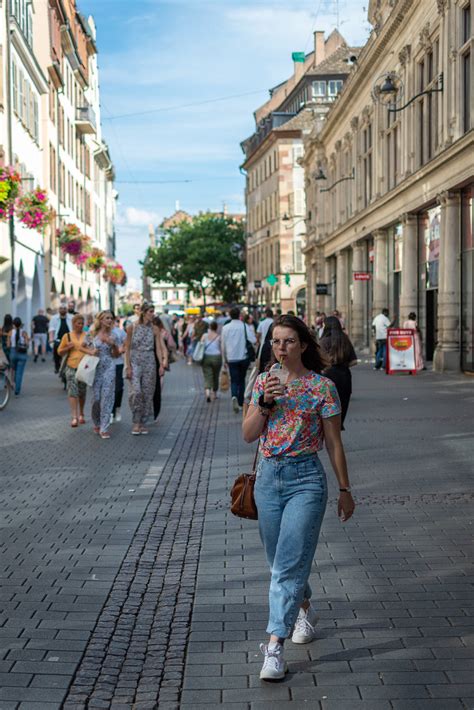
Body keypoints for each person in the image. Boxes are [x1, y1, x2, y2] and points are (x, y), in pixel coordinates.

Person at [242, 315, 355, 681]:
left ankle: (274, 647)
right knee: (280, 564)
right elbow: (247, 435)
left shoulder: (322, 387)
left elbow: (335, 443)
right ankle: (304, 608)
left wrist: (344, 489)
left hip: (306, 480)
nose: (281, 348)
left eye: (289, 341)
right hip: (268, 478)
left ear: (303, 345)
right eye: (275, 341)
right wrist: (263, 403)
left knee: (287, 566)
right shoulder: (263, 381)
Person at [125, 303, 162, 435]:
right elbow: (127, 348)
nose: (153, 314)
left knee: (147, 393)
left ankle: (142, 422)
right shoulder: (132, 327)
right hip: (135, 361)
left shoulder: (155, 329)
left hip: (150, 361)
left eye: (154, 311)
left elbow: (158, 347)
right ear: (144, 313)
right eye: (151, 311)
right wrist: (127, 366)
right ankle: (136, 421)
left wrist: (161, 365)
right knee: (136, 392)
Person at [318, 316, 358, 428]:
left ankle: (331, 432)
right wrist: (343, 364)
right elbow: (354, 361)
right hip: (345, 376)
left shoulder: (323, 341)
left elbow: (320, 361)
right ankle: (339, 427)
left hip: (328, 375)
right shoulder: (345, 339)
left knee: (329, 408)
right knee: (342, 405)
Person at [89, 311, 120, 439]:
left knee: (107, 396)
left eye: (111, 318)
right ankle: (96, 422)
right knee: (96, 398)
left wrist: (113, 345)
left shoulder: (113, 335)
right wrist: (92, 351)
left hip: (109, 366)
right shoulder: (92, 334)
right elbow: (82, 348)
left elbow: (117, 355)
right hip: (95, 367)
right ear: (100, 320)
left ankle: (104, 427)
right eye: (107, 318)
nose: (109, 320)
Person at [57, 314, 91, 427]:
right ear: (73, 324)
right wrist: (68, 347)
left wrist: (87, 347)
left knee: (82, 393)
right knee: (72, 392)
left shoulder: (87, 335)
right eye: (78, 323)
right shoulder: (67, 336)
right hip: (71, 367)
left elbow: (92, 350)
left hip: (84, 368)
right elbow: (59, 352)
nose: (80, 325)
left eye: (82, 323)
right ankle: (74, 417)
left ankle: (81, 413)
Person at [222, 306, 257, 413]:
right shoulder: (244, 326)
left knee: (234, 379)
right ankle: (241, 402)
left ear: (230, 316)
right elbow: (253, 339)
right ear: (239, 315)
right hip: (243, 357)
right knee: (242, 380)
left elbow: (223, 345)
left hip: (231, 357)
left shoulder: (225, 328)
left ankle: (234, 396)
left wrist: (224, 359)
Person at [152, 315, 169, 422]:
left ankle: (154, 411)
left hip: (157, 361)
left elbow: (163, 348)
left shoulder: (158, 331)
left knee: (157, 385)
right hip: (147, 363)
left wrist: (164, 361)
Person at [200, 321, 222, 402]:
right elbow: (221, 349)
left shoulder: (205, 335)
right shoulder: (219, 336)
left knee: (207, 376)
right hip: (217, 357)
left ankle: (208, 393)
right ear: (216, 328)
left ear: (209, 327)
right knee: (216, 376)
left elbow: (201, 345)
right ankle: (214, 394)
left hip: (206, 357)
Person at [8, 317, 30, 395]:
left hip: (13, 353)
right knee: (19, 372)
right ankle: (17, 390)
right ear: (21, 324)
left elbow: (8, 345)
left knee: (13, 369)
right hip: (22, 353)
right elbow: (27, 345)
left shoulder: (10, 332)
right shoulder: (24, 333)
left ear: (13, 324)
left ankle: (12, 382)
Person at [49, 304, 73, 374]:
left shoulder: (71, 317)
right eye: (61, 308)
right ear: (59, 310)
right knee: (56, 348)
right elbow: (51, 329)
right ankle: (57, 366)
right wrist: (51, 340)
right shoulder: (54, 318)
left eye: (64, 308)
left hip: (70, 339)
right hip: (58, 339)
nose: (63, 310)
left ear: (67, 309)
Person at [111, 315, 127, 423]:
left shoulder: (119, 332)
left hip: (118, 363)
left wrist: (121, 349)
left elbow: (127, 343)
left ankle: (117, 408)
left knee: (119, 388)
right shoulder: (99, 332)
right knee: (108, 389)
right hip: (105, 364)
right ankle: (110, 412)